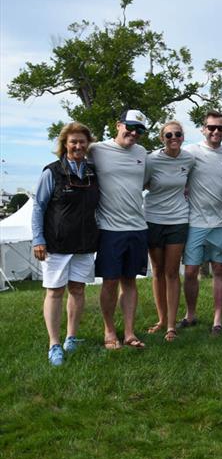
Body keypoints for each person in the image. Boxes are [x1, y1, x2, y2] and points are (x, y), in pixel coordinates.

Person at [31, 122, 100, 365]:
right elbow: (38, 206)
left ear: (87, 144)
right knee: (55, 291)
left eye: (82, 141)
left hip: (84, 243)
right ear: (65, 144)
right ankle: (54, 344)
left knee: (78, 290)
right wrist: (38, 239)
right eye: (73, 141)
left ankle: (71, 337)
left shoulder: (92, 172)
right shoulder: (52, 171)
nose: (78, 145)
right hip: (56, 243)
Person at [89, 109, 150, 349]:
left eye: (139, 131)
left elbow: (145, 181)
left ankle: (129, 333)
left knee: (130, 282)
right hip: (109, 229)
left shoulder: (142, 153)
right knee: (110, 282)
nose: (134, 133)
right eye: (130, 127)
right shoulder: (97, 150)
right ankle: (109, 331)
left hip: (138, 227)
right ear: (118, 125)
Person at [182, 110, 222, 335]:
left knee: (219, 270)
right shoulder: (190, 152)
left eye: (221, 128)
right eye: (212, 127)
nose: (216, 131)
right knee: (190, 271)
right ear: (203, 129)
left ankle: (217, 319)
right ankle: (190, 314)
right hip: (196, 221)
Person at [143, 121, 195, 342]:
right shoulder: (151, 160)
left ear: (183, 137)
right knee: (157, 270)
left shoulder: (189, 159)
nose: (174, 137)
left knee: (172, 272)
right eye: (169, 135)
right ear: (162, 138)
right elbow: (142, 183)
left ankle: (172, 325)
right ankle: (161, 319)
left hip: (178, 220)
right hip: (153, 219)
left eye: (178, 134)